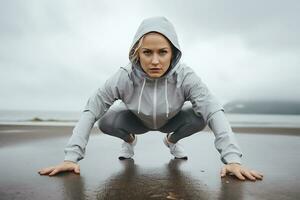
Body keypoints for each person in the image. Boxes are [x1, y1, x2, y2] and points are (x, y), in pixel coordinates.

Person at [38, 16, 263, 181]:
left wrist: (232, 159)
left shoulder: (186, 76)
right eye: (147, 53)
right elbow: (91, 109)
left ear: (173, 53)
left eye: (162, 52)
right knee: (104, 120)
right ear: (138, 52)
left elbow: (214, 110)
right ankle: (129, 141)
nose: (155, 61)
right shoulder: (124, 76)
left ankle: (171, 142)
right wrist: (71, 158)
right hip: (137, 122)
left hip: (171, 121)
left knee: (200, 117)